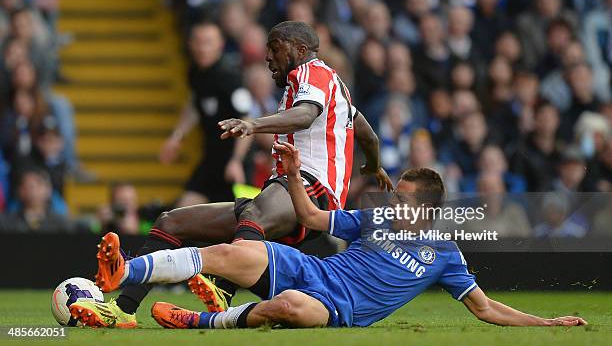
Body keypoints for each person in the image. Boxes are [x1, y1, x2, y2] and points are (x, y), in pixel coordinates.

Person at [77, 21, 392, 328]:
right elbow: (368, 135)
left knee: (253, 213)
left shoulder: (313, 73)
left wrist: (253, 124)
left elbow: (306, 115)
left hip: (312, 190)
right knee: (171, 221)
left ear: (300, 49)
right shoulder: (327, 87)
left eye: (275, 49)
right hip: (283, 194)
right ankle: (122, 310)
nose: (268, 57)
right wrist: (374, 165)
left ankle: (222, 287)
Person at [71, 142, 587, 329]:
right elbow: (313, 220)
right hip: (312, 269)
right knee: (233, 250)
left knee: (292, 307)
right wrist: (294, 174)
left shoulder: (445, 254)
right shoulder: (375, 218)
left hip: (336, 308)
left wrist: (547, 321)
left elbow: (486, 308)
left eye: (404, 198)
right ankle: (124, 275)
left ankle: (204, 320)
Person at [159, 22, 253, 207]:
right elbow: (195, 105)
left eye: (208, 42)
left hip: (235, 162)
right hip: (211, 158)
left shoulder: (230, 77)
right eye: (198, 42)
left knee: (238, 219)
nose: (202, 48)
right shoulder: (195, 73)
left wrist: (236, 160)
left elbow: (247, 119)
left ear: (220, 45)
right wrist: (177, 136)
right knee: (184, 209)